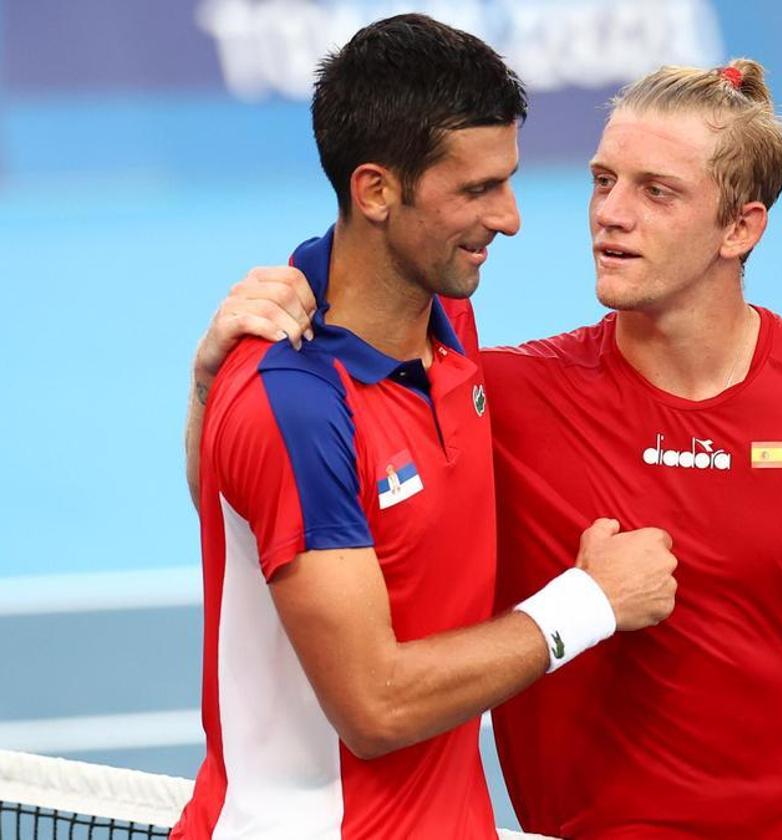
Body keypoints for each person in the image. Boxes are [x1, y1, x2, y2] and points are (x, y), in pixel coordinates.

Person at [189, 57, 782, 839]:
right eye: (603, 181)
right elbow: (268, 497)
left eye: (657, 192)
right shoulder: (496, 398)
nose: (611, 214)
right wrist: (219, 378)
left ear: (739, 229)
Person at [173, 15, 678, 840]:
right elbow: (374, 705)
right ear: (375, 191)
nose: (511, 217)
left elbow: (243, 510)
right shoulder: (294, 398)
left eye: (506, 180)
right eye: (477, 191)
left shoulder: (439, 313)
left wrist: (205, 388)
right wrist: (590, 603)